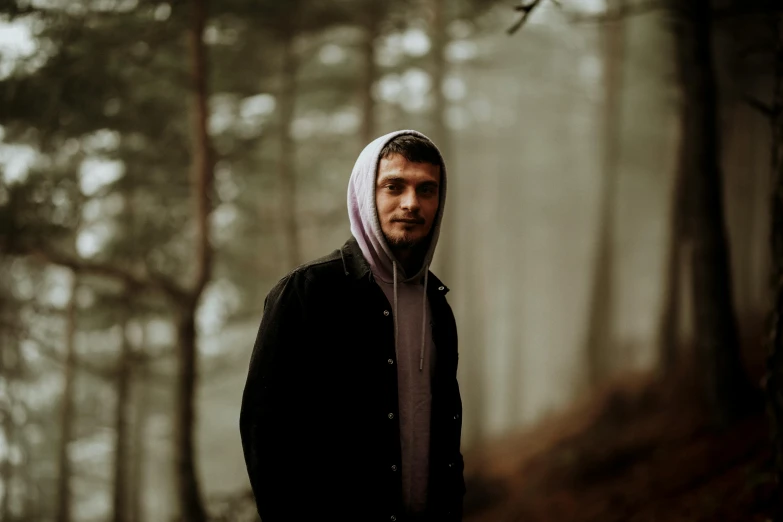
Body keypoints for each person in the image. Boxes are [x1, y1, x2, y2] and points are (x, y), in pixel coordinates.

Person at [239, 130, 465, 522]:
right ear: (365, 193)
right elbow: (265, 436)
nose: (412, 203)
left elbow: (445, 435)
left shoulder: (437, 305)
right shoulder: (307, 292)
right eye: (394, 187)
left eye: (426, 190)